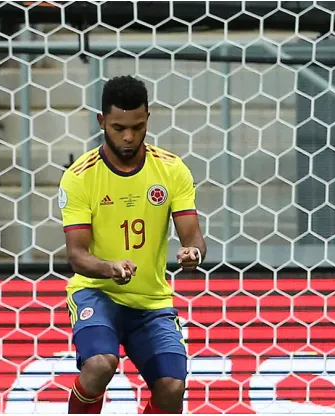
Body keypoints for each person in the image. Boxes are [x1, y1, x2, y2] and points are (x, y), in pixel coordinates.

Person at [57, 75, 206, 414]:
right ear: (102, 122)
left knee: (172, 388)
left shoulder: (172, 170)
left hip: (150, 301)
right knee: (99, 364)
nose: (128, 136)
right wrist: (109, 268)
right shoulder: (80, 176)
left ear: (148, 119)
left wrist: (192, 253)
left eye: (138, 127)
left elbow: (193, 237)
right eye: (118, 127)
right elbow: (77, 256)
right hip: (97, 292)